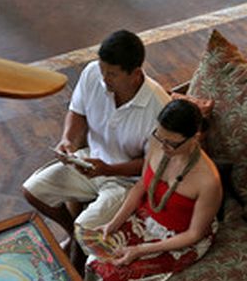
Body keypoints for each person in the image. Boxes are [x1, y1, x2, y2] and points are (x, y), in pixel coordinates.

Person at [22, 29, 169, 252]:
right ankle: (72, 236)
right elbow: (77, 112)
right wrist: (68, 140)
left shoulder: (158, 107)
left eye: (112, 74)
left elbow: (152, 166)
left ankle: (77, 244)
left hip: (125, 181)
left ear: (135, 74)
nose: (104, 78)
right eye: (102, 70)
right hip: (89, 160)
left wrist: (108, 170)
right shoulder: (92, 73)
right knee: (33, 191)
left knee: (85, 229)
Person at [84, 98, 222, 281]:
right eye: (160, 136)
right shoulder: (157, 144)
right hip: (146, 217)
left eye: (172, 143)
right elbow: (141, 186)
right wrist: (113, 224)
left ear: (195, 137)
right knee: (95, 258)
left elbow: (194, 234)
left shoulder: (208, 180)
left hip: (179, 237)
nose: (164, 146)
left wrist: (139, 250)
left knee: (117, 277)